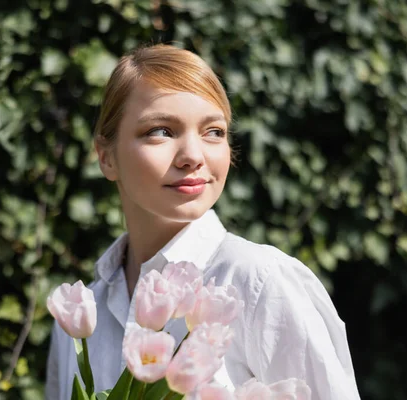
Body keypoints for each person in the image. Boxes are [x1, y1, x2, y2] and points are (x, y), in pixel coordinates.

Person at [45, 44, 361, 400]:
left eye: (214, 132)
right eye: (161, 131)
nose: (193, 156)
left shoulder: (259, 283)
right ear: (106, 157)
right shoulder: (81, 313)